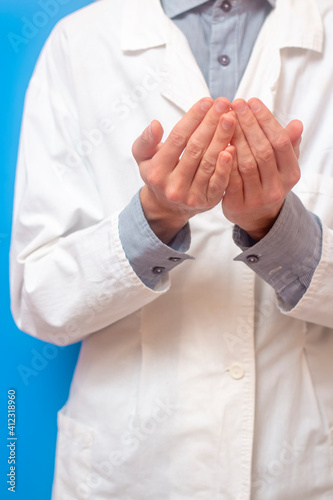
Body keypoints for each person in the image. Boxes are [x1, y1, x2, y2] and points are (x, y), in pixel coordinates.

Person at [9, 0, 333, 498]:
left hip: (303, 468)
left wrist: (277, 229)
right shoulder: (81, 41)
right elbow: (41, 301)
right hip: (130, 470)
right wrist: (154, 218)